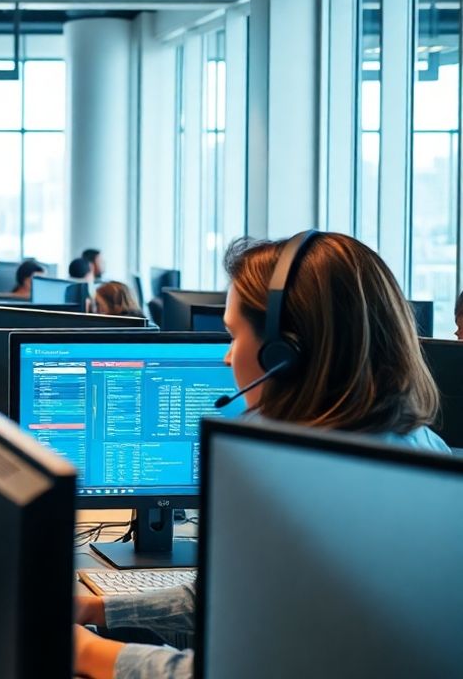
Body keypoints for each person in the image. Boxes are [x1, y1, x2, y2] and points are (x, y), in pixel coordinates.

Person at [72, 231, 449, 679]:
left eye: (233, 335)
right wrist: (99, 607)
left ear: (283, 352)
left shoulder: (303, 489)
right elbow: (240, 602)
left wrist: (87, 654)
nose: (228, 357)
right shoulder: (423, 451)